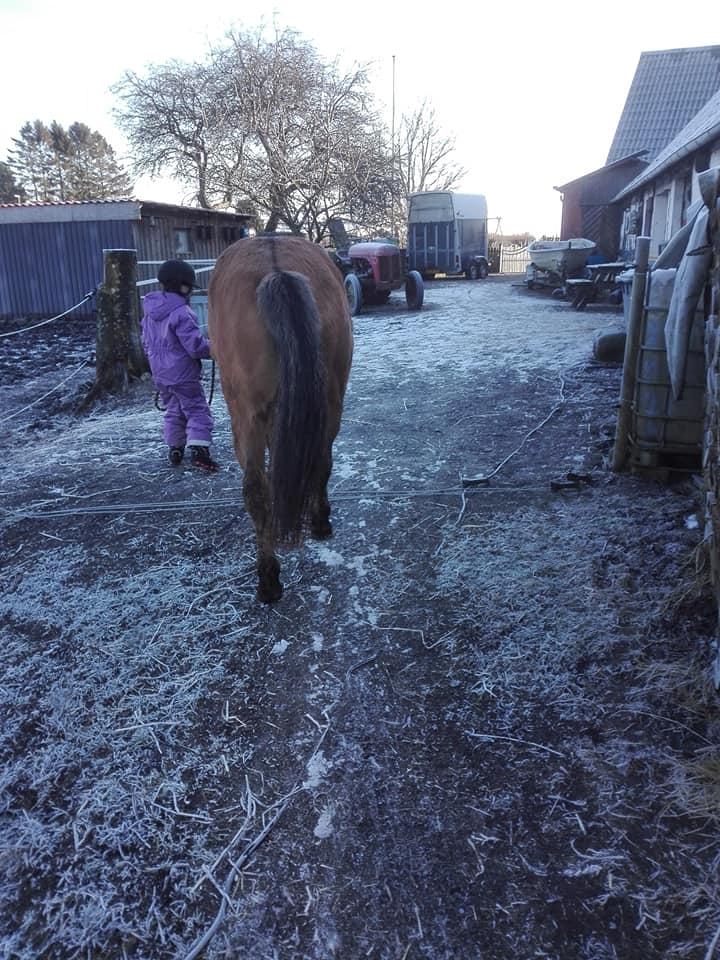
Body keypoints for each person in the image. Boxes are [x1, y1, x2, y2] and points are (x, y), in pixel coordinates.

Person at [141, 259, 219, 472]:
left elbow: (145, 342)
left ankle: (175, 448)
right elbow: (194, 347)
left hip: (160, 373)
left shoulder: (149, 312)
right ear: (183, 286)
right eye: (189, 287)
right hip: (183, 373)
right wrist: (217, 348)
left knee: (174, 410)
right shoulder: (182, 313)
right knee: (197, 409)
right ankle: (199, 450)